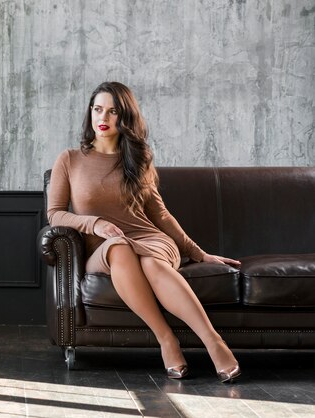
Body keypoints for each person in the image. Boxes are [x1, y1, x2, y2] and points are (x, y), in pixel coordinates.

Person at [47, 81, 242, 383]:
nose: (104, 117)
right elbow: (54, 213)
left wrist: (198, 253)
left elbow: (159, 215)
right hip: (104, 249)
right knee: (119, 247)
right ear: (90, 112)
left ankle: (214, 342)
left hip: (150, 240)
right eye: (98, 109)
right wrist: (95, 223)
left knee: (149, 261)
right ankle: (166, 339)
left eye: (113, 111)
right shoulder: (69, 159)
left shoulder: (138, 159)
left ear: (124, 117)